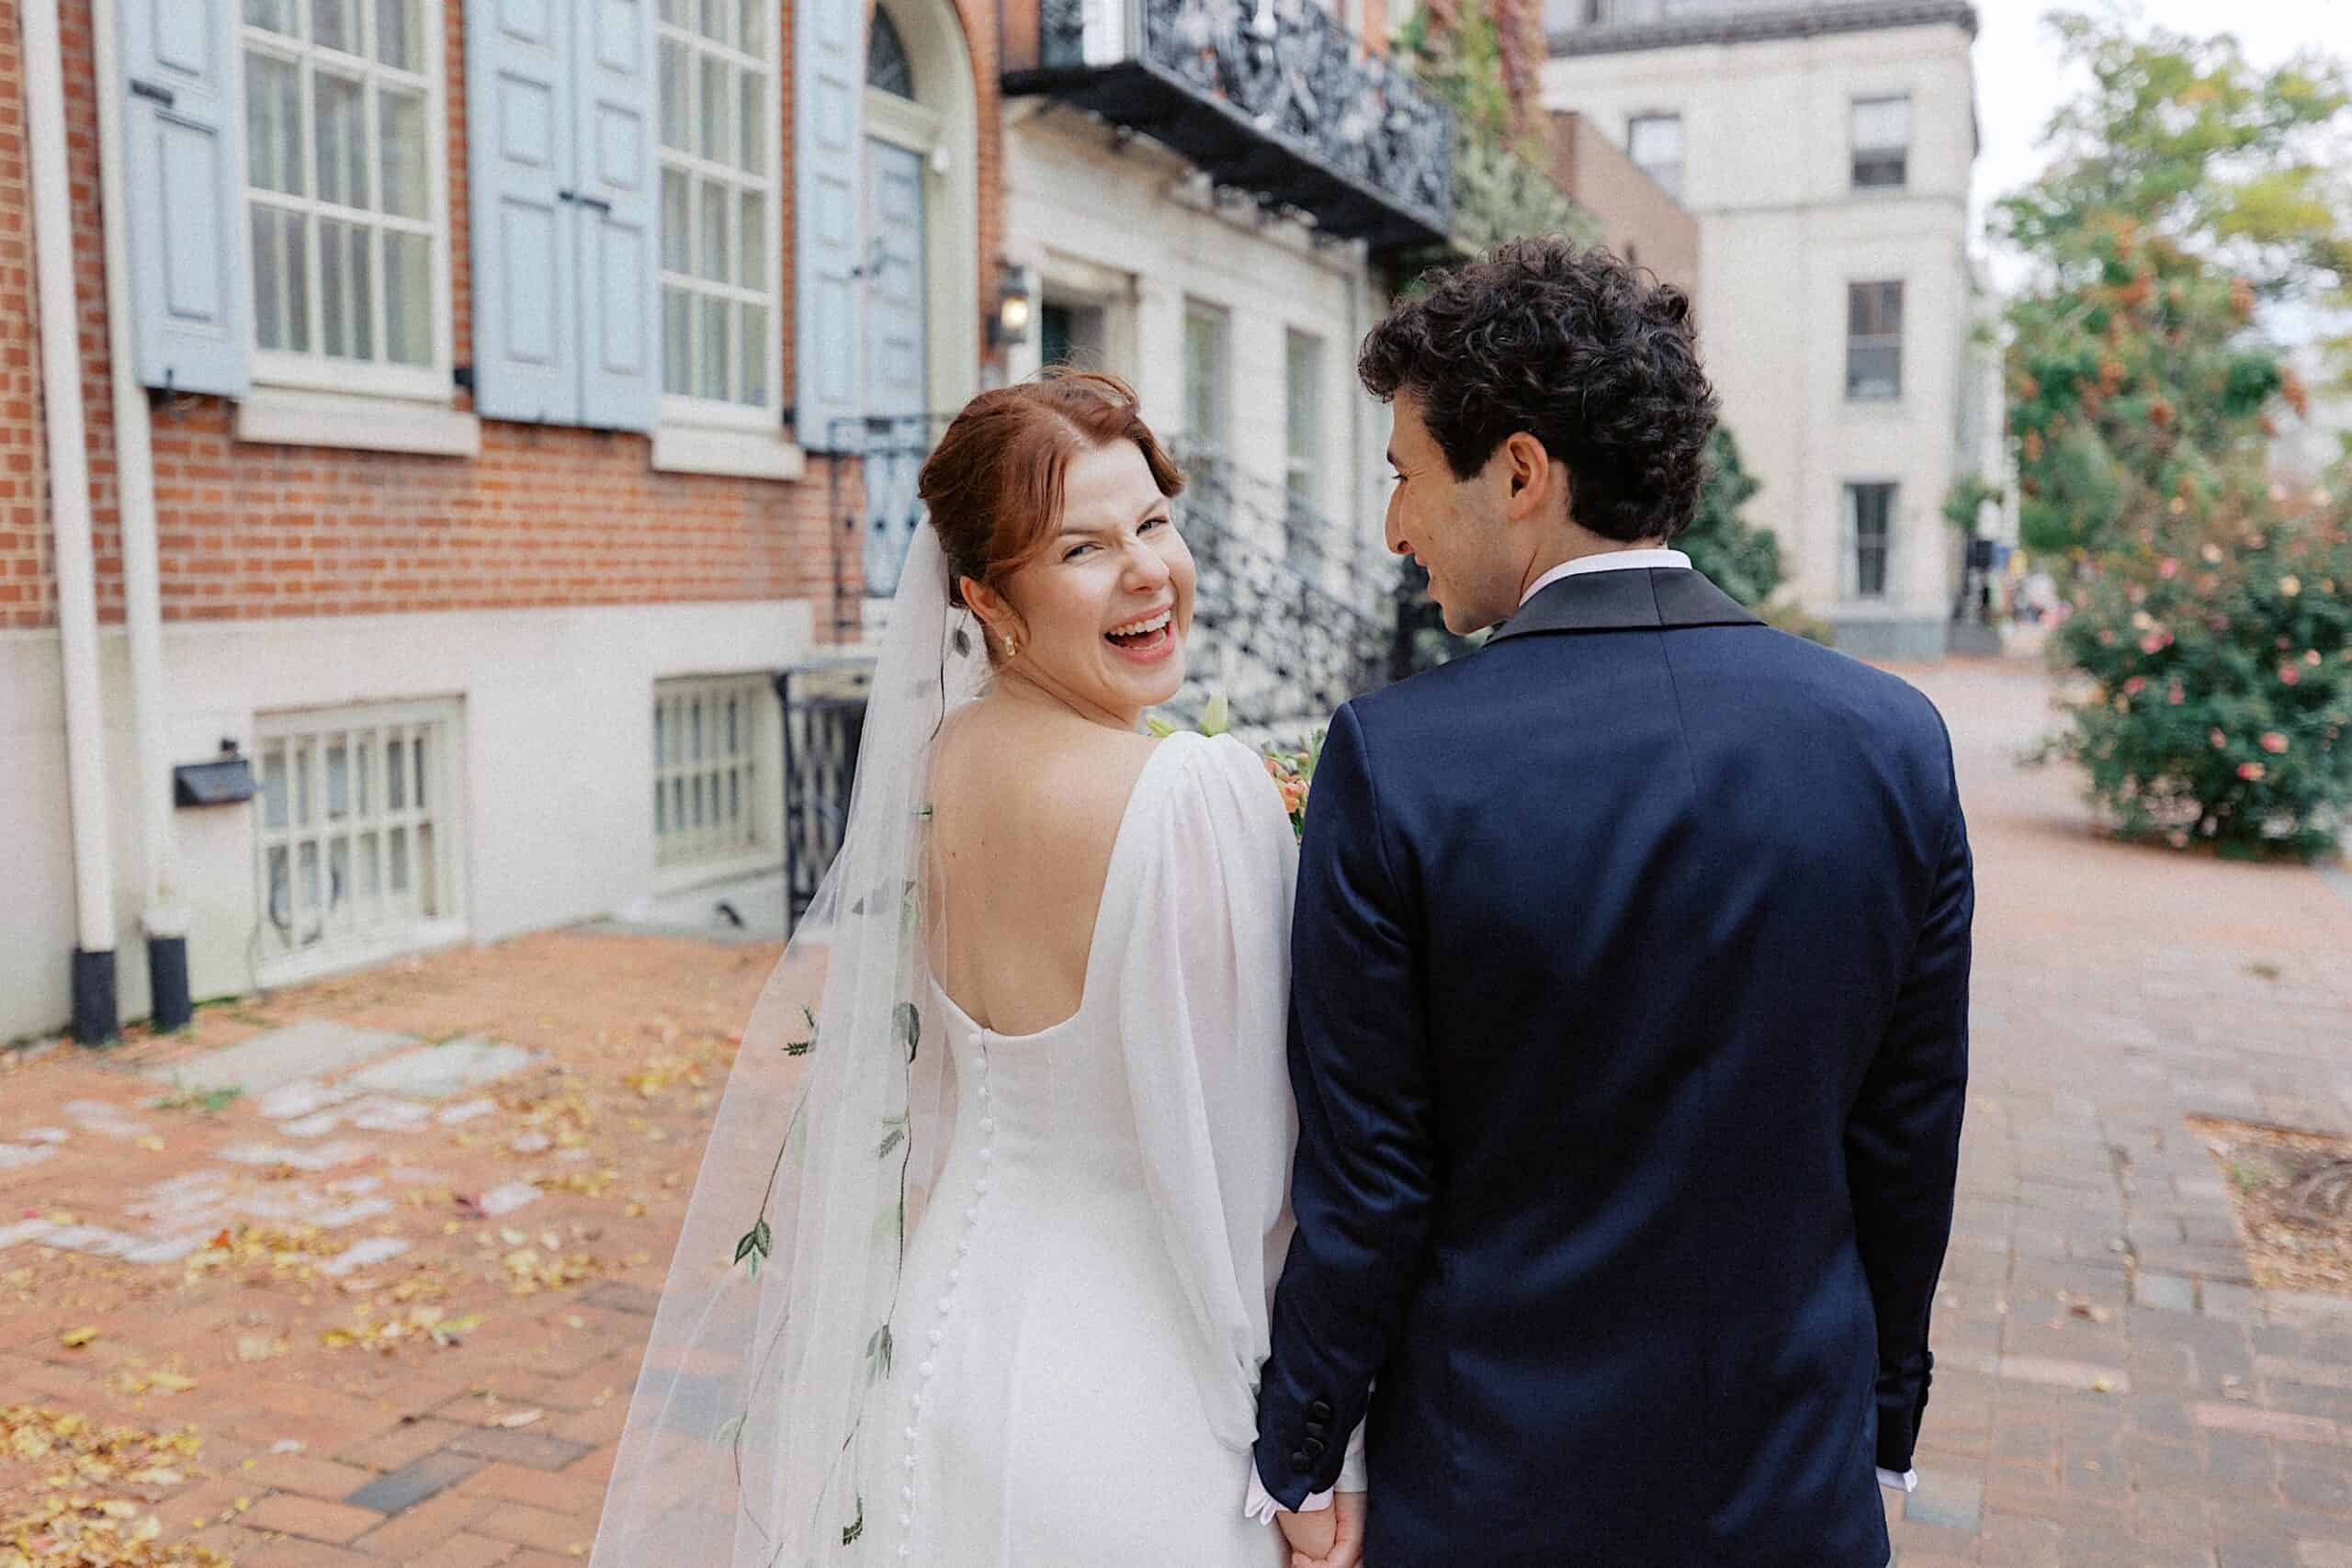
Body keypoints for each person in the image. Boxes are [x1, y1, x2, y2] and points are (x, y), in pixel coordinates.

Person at [1251, 240, 1973, 1568]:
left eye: (1406, 475)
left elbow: (1371, 1183)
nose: (1395, 526)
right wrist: (1884, 1425)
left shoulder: (1399, 759)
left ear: (1521, 473)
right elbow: (1907, 1136)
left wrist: (1301, 1448)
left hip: (1495, 1494)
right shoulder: (1893, 741)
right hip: (1794, 1480)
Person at [589, 370, 1358, 1568]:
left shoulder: (938, 768)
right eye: (1084, 549)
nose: (1149, 570)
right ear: (990, 600)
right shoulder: (1193, 797)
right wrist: (1310, 1466)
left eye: (1155, 523)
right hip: (1137, 1422)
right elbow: (1246, 1189)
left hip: (927, 1377)